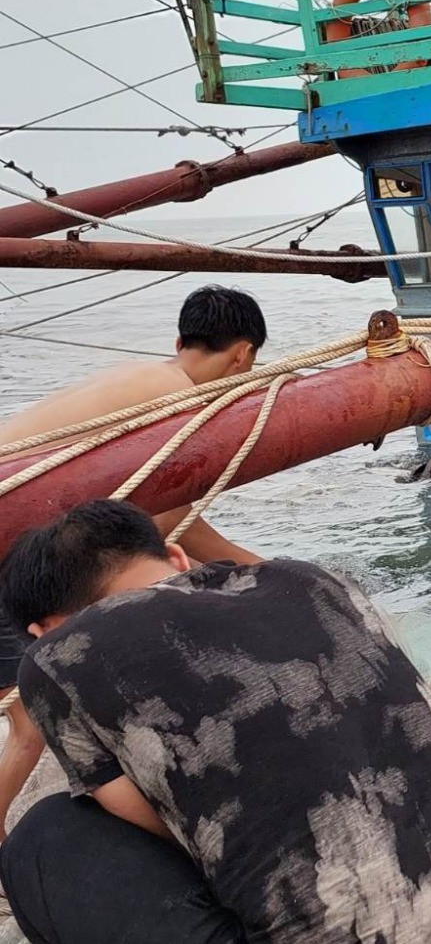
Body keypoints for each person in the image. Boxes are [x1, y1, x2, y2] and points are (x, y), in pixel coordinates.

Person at [0, 500, 431, 944]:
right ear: (175, 559)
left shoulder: (57, 657)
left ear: (43, 628)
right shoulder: (315, 580)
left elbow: (156, 823)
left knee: (47, 835)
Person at [0, 285, 268, 837]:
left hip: (15, 525)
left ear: (179, 341)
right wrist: (263, 569)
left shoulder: (140, 377)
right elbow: (172, 520)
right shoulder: (178, 399)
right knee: (28, 719)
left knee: (24, 709)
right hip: (8, 540)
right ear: (242, 355)